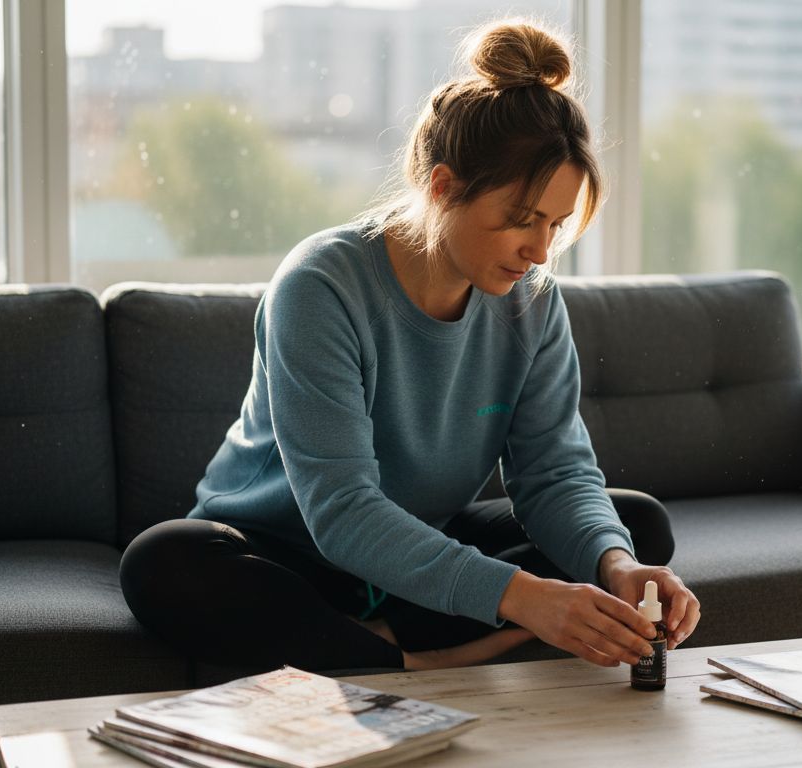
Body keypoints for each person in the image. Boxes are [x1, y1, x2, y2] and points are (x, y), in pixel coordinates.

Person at [120, 19, 701, 673]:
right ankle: (420, 660)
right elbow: (341, 510)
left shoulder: (532, 301)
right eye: (519, 220)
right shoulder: (320, 286)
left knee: (634, 530)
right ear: (443, 188)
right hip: (288, 550)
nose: (539, 251)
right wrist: (524, 599)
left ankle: (359, 649)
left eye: (554, 225)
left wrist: (616, 566)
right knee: (162, 561)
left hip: (415, 551)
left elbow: (554, 473)